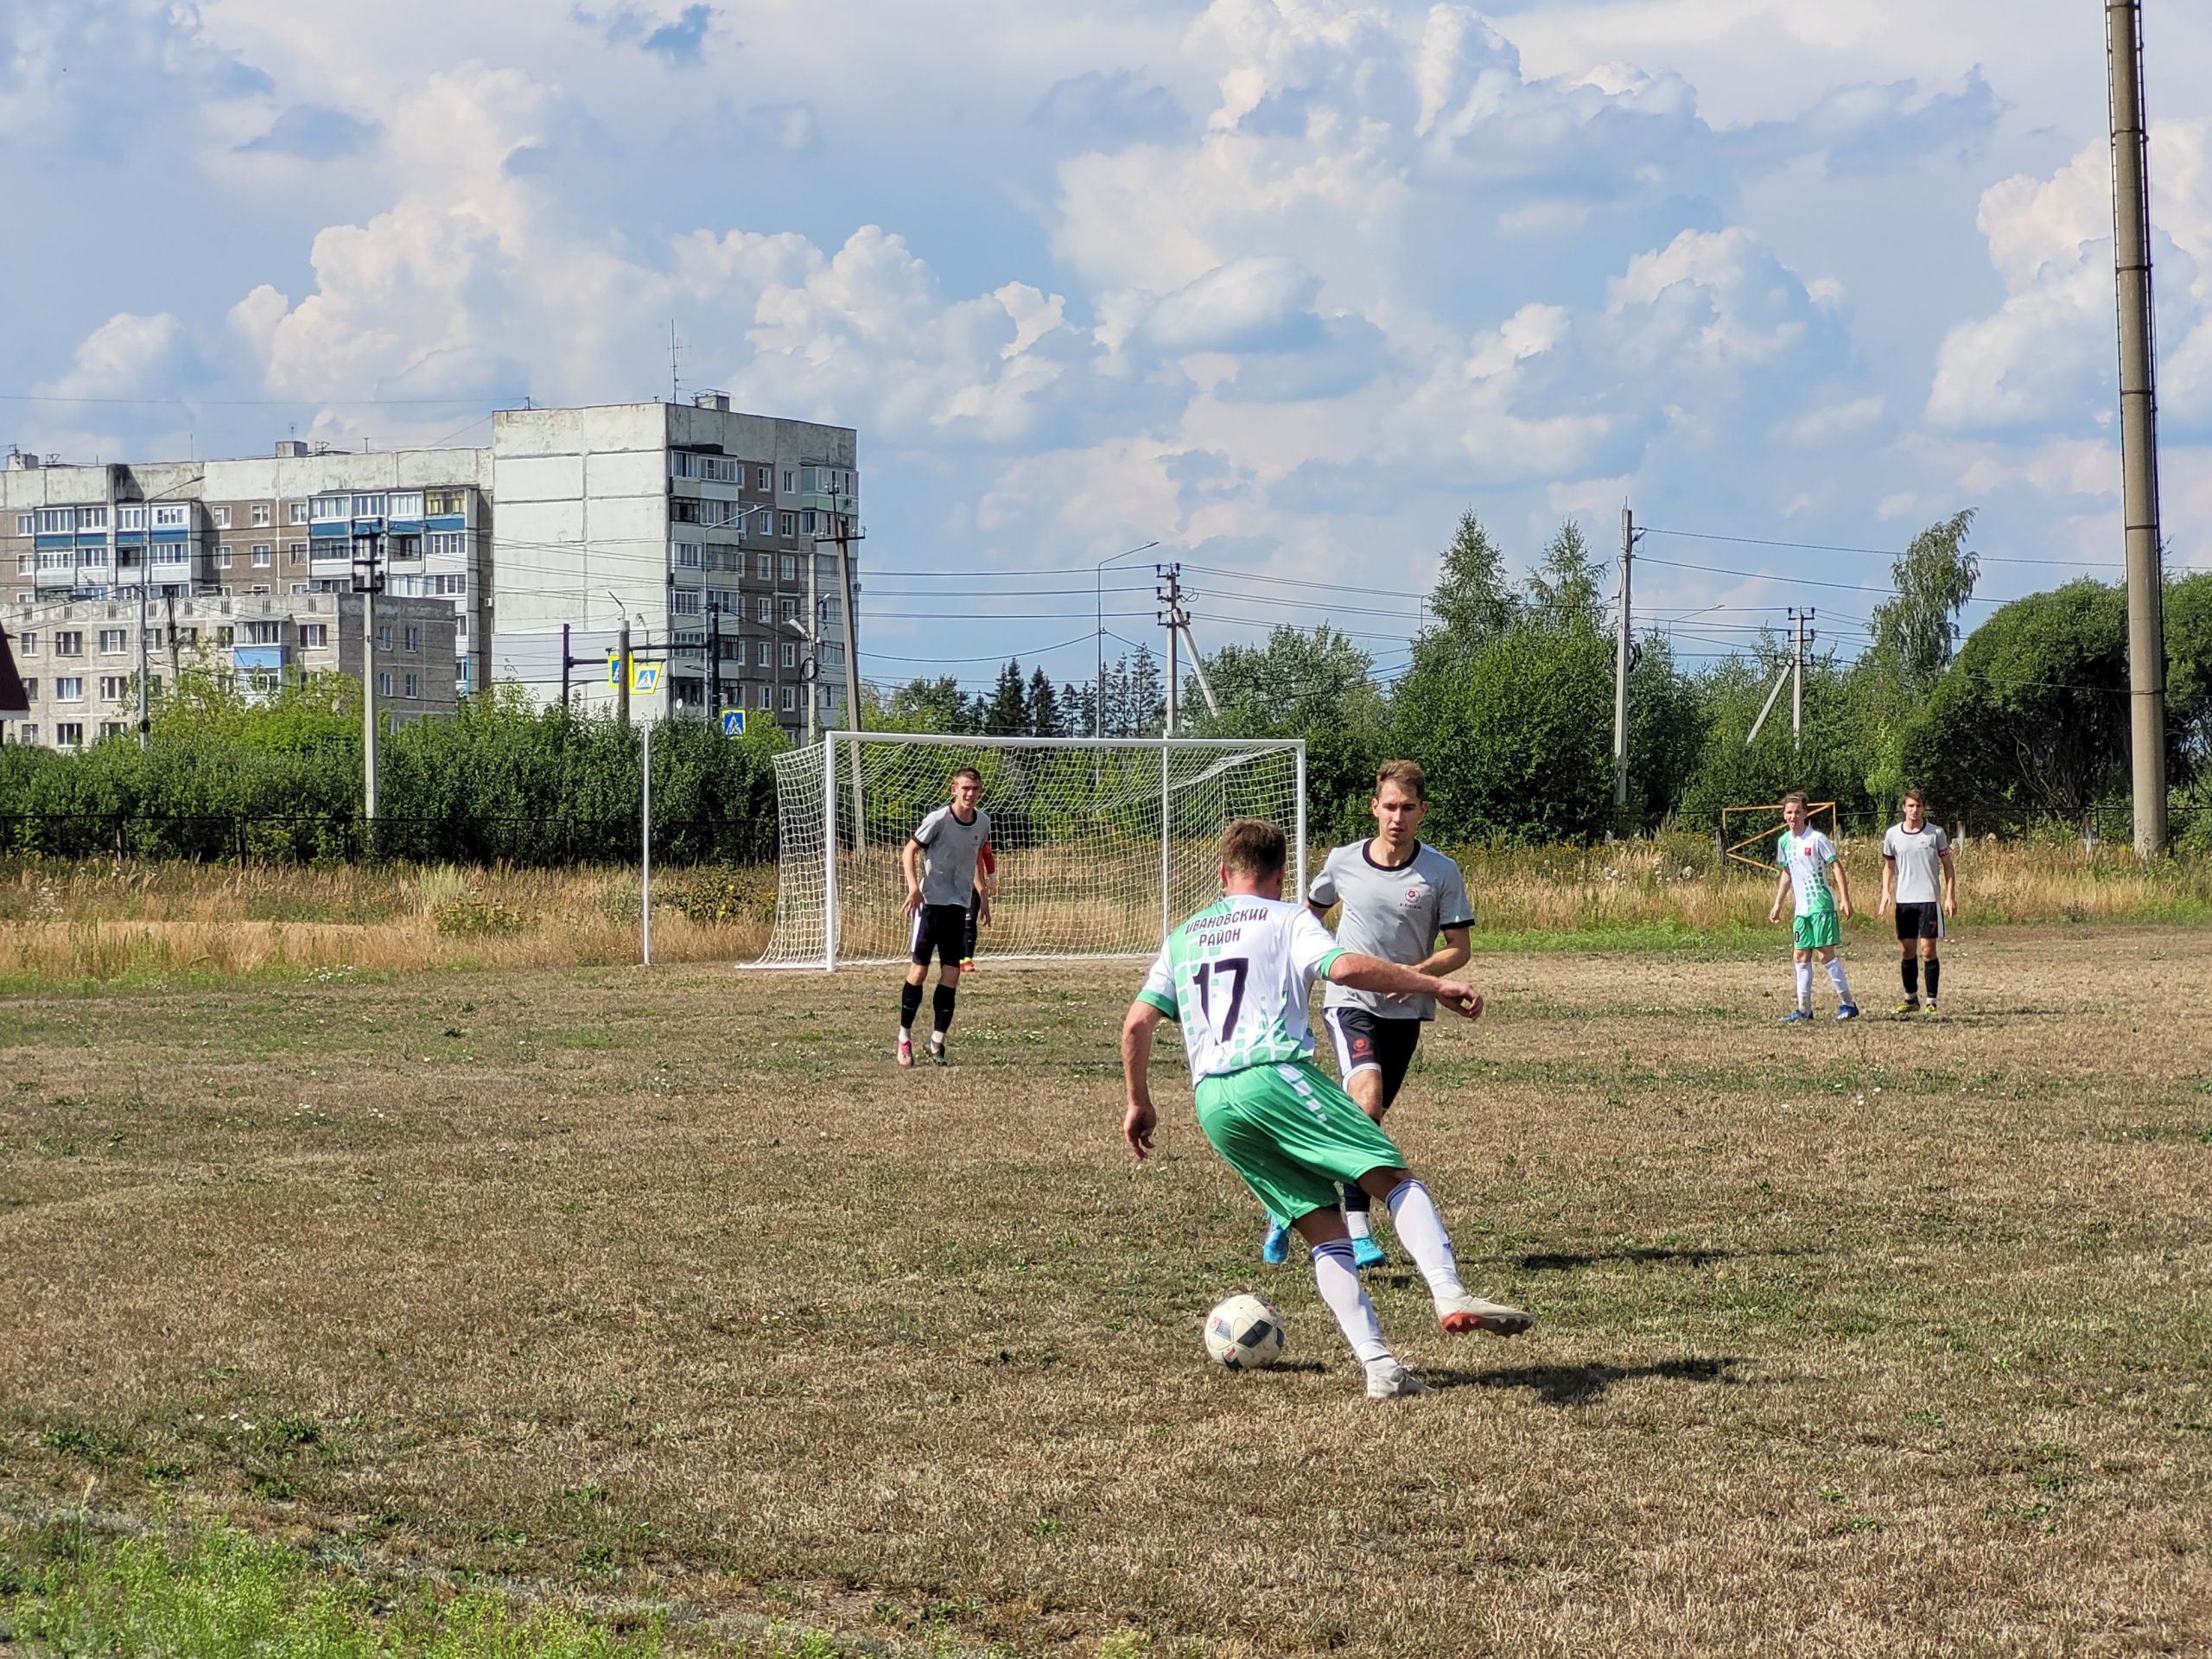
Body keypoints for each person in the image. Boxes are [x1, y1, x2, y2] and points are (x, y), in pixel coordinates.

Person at [1121, 817, 1532, 1402]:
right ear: (1283, 875)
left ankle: (1381, 1368)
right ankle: (1448, 1292)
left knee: (1323, 1229)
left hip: (1212, 1101)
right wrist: (1432, 985)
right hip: (1273, 1074)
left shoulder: (1185, 934)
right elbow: (1343, 968)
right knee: (1392, 1177)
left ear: (1222, 875)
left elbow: (1137, 1022)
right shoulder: (1289, 918)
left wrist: (1139, 1100)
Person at [1256, 760, 1472, 1271]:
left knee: (1361, 1123)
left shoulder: (1441, 872)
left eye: (1408, 808)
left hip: (1406, 1012)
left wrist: (1412, 976)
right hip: (1349, 1003)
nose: (1397, 817)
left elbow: (1458, 948)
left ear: (1422, 812)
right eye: (1389, 806)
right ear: (1374, 808)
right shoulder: (1343, 861)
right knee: (1367, 1104)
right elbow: (1305, 919)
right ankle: (1356, 1228)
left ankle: (1286, 1200)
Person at [898, 766, 992, 1066]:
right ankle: (904, 1038)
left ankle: (937, 1042)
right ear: (954, 789)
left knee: (952, 975)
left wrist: (984, 897)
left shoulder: (984, 823)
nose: (969, 794)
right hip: (930, 906)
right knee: (920, 972)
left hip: (958, 906)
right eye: (965, 788)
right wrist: (914, 888)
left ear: (979, 792)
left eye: (975, 790)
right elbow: (908, 851)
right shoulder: (938, 819)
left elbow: (974, 857)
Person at [1769, 791, 1859, 1024]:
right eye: (1789, 812)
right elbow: (1786, 873)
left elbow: (1836, 867)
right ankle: (1804, 1010)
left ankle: (1848, 1004)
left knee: (1824, 954)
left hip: (1821, 905)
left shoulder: (1817, 839)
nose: (1793, 816)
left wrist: (1845, 898)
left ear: (1806, 813)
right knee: (1800, 955)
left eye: (1797, 812)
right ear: (1783, 815)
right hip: (1802, 910)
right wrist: (1778, 903)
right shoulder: (1784, 842)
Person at [1878, 789, 1958, 1014]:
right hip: (1905, 902)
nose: (1914, 810)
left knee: (1928, 950)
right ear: (1904, 808)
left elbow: (1948, 867)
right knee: (1907, 951)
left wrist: (1950, 896)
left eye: (1918, 806)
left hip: (1929, 901)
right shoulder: (1893, 835)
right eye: (1910, 806)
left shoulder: (1935, 834)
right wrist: (1886, 892)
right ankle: (1910, 998)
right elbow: (1889, 867)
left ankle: (1931, 1001)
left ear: (1924, 808)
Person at [961, 838, 997, 975]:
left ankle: (967, 960)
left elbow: (987, 855)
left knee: (969, 923)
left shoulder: (980, 834)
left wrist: (992, 877)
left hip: (975, 888)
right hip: (955, 887)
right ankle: (958, 960)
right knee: (956, 924)